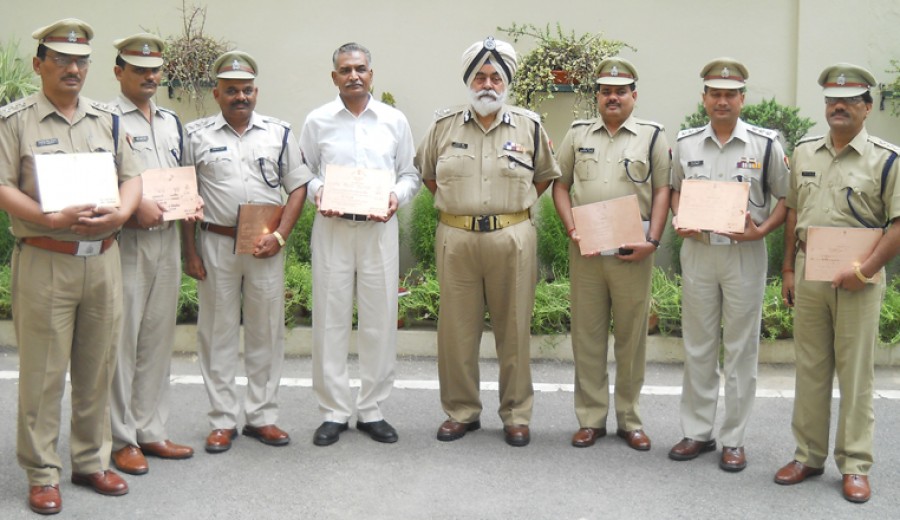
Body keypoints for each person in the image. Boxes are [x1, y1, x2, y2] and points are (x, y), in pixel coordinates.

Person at [0, 18, 142, 515]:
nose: (73, 69)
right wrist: (48, 217)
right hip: (46, 259)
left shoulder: (107, 120)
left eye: (81, 61)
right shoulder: (14, 121)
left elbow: (131, 179)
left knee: (97, 368)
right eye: (61, 59)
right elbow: (2, 186)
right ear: (38, 64)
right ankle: (42, 473)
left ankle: (90, 461)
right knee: (43, 374)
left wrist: (122, 213)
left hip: (102, 261)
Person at [416, 37, 560, 447]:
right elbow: (428, 174)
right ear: (468, 80)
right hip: (457, 238)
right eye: (479, 76)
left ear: (507, 82)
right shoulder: (443, 126)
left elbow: (544, 177)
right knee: (456, 333)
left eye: (496, 77)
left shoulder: (529, 126)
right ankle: (461, 411)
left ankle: (516, 414)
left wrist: (512, 210)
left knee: (514, 329)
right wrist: (458, 207)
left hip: (512, 238)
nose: (487, 84)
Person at [774, 63, 900, 503]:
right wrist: (788, 270)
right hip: (810, 272)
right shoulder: (805, 152)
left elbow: (898, 225)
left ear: (867, 107)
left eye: (848, 101)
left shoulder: (887, 159)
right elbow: (793, 214)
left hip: (860, 279)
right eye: (832, 100)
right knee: (810, 369)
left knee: (856, 374)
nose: (838, 107)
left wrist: (864, 271)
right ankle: (808, 455)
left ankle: (855, 464)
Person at [182, 51, 311, 454]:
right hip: (216, 243)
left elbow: (298, 186)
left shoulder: (279, 132)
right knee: (216, 333)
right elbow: (185, 195)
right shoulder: (196, 136)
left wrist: (282, 236)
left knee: (266, 331)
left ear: (256, 92)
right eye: (232, 90)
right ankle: (222, 420)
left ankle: (262, 416)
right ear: (217, 94)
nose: (241, 96)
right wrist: (189, 251)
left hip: (263, 245)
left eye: (247, 90)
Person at [669, 58, 789, 471]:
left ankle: (734, 439)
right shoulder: (686, 143)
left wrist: (762, 231)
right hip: (699, 251)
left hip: (744, 253)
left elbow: (786, 198)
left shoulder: (765, 144)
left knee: (741, 348)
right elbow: (674, 189)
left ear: (742, 99)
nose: (722, 101)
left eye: (730, 95)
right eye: (715, 94)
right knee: (698, 344)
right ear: (704, 98)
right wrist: (678, 217)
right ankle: (697, 432)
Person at [299, 42, 420, 446]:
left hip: (378, 231)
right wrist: (318, 192)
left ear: (371, 74)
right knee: (329, 320)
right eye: (346, 69)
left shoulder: (393, 121)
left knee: (379, 320)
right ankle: (333, 410)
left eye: (361, 68)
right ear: (334, 76)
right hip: (333, 229)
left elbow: (410, 174)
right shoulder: (317, 121)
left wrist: (396, 197)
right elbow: (303, 171)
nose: (354, 75)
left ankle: (371, 409)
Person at [552, 58, 670, 451]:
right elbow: (560, 185)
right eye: (606, 91)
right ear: (598, 96)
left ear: (634, 95)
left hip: (631, 251)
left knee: (631, 339)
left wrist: (653, 239)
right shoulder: (577, 134)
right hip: (586, 252)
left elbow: (663, 190)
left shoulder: (652, 137)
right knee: (587, 337)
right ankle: (590, 419)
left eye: (620, 91)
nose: (613, 97)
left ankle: (630, 419)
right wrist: (571, 226)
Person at [108, 32, 198, 476]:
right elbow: (96, 180)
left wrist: (190, 214)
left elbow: (182, 177)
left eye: (155, 70)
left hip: (166, 241)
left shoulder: (171, 121)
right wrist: (130, 209)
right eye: (139, 69)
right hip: (126, 242)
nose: (149, 76)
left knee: (157, 340)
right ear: (118, 71)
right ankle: (120, 438)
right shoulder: (105, 119)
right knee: (121, 342)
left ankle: (151, 429)